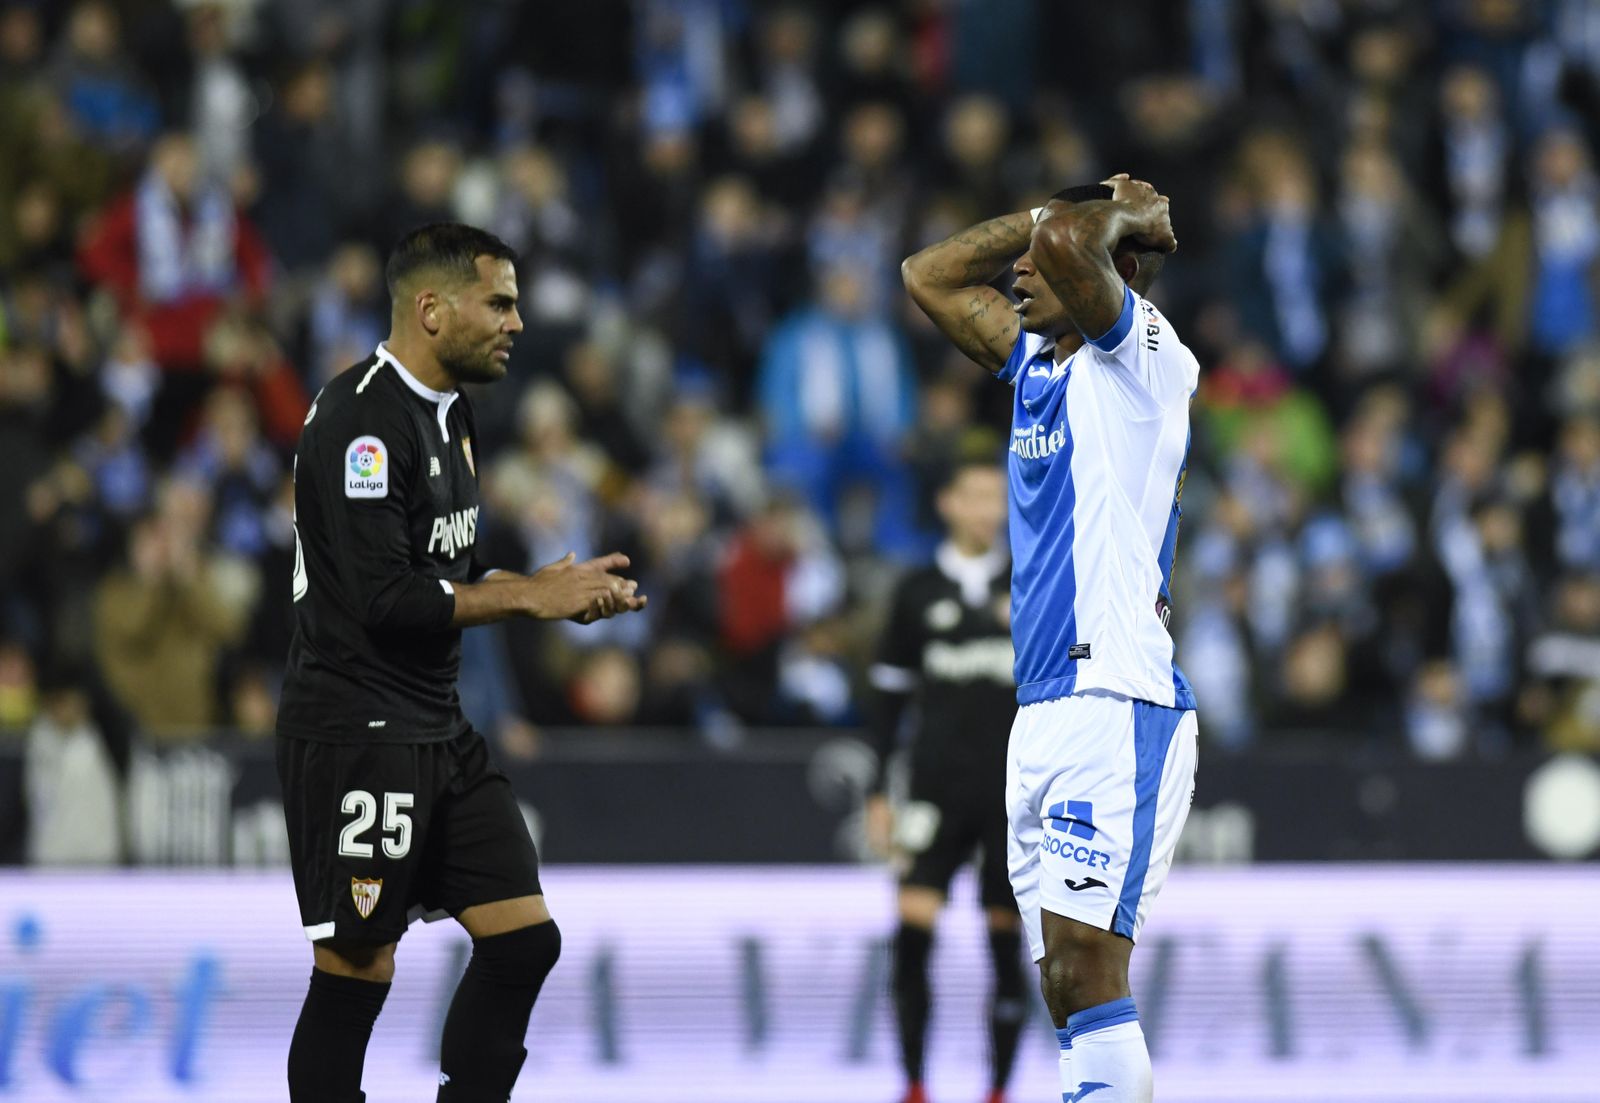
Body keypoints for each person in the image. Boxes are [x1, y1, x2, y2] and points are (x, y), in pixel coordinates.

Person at [275, 222, 647, 1103]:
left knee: (524, 940)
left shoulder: (453, 413)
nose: (518, 322)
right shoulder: (361, 419)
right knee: (356, 967)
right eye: (502, 302)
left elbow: (445, 572)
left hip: (436, 724)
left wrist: (548, 585)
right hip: (356, 729)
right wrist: (525, 597)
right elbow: (384, 599)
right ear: (433, 310)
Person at [902, 176, 1199, 1103]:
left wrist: (1112, 221)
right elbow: (928, 276)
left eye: (1041, 258)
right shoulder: (1037, 364)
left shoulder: (1147, 360)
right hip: (1040, 714)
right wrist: (1045, 213)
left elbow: (1076, 252)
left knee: (1086, 967)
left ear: (1115, 272)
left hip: (1118, 699)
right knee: (1062, 984)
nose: (1018, 271)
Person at [865, 455, 1024, 1103]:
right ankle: (914, 1083)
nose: (988, 509)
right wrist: (879, 788)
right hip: (933, 787)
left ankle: (996, 1088)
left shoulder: (1035, 583)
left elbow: (1077, 676)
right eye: (975, 495)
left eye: (997, 497)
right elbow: (887, 698)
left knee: (1006, 942)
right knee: (912, 931)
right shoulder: (915, 591)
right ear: (947, 504)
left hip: (1013, 796)